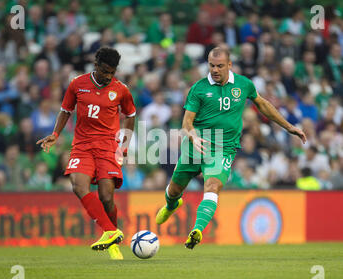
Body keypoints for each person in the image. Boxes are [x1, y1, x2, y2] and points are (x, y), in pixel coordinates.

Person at [155, 46, 307, 249]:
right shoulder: (198, 88)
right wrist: (193, 137)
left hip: (223, 149)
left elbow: (262, 104)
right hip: (196, 147)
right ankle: (171, 204)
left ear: (229, 65)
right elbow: (186, 124)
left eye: (219, 66)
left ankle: (197, 230)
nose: (215, 70)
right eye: (211, 65)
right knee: (174, 190)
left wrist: (289, 127)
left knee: (212, 186)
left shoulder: (244, 85)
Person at [36, 47, 136, 260]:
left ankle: (111, 238)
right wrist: (55, 133)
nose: (109, 76)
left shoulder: (121, 90)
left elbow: (130, 115)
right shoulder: (77, 84)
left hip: (108, 146)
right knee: (78, 185)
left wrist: (123, 146)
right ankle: (111, 234)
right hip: (82, 145)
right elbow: (65, 111)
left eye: (113, 72)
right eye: (105, 71)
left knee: (107, 197)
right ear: (96, 65)